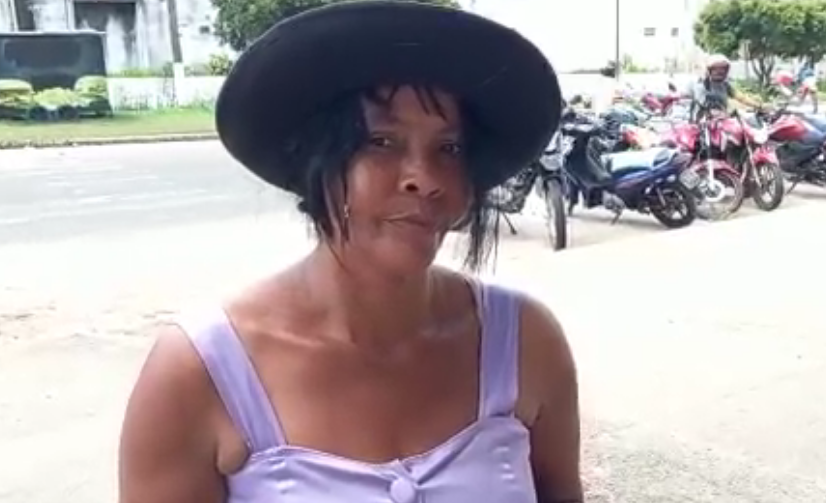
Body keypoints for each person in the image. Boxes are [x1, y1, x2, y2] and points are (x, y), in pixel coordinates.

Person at [117, 2, 582, 503]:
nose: (424, 178)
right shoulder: (199, 373)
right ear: (315, 160)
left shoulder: (525, 342)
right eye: (382, 141)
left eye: (448, 149)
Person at [689, 54, 764, 121]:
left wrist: (759, 106)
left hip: (722, 121)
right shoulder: (702, 85)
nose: (720, 71)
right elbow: (702, 103)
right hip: (703, 123)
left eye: (723, 69)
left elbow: (741, 97)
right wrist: (716, 113)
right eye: (716, 69)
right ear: (709, 70)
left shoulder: (725, 85)